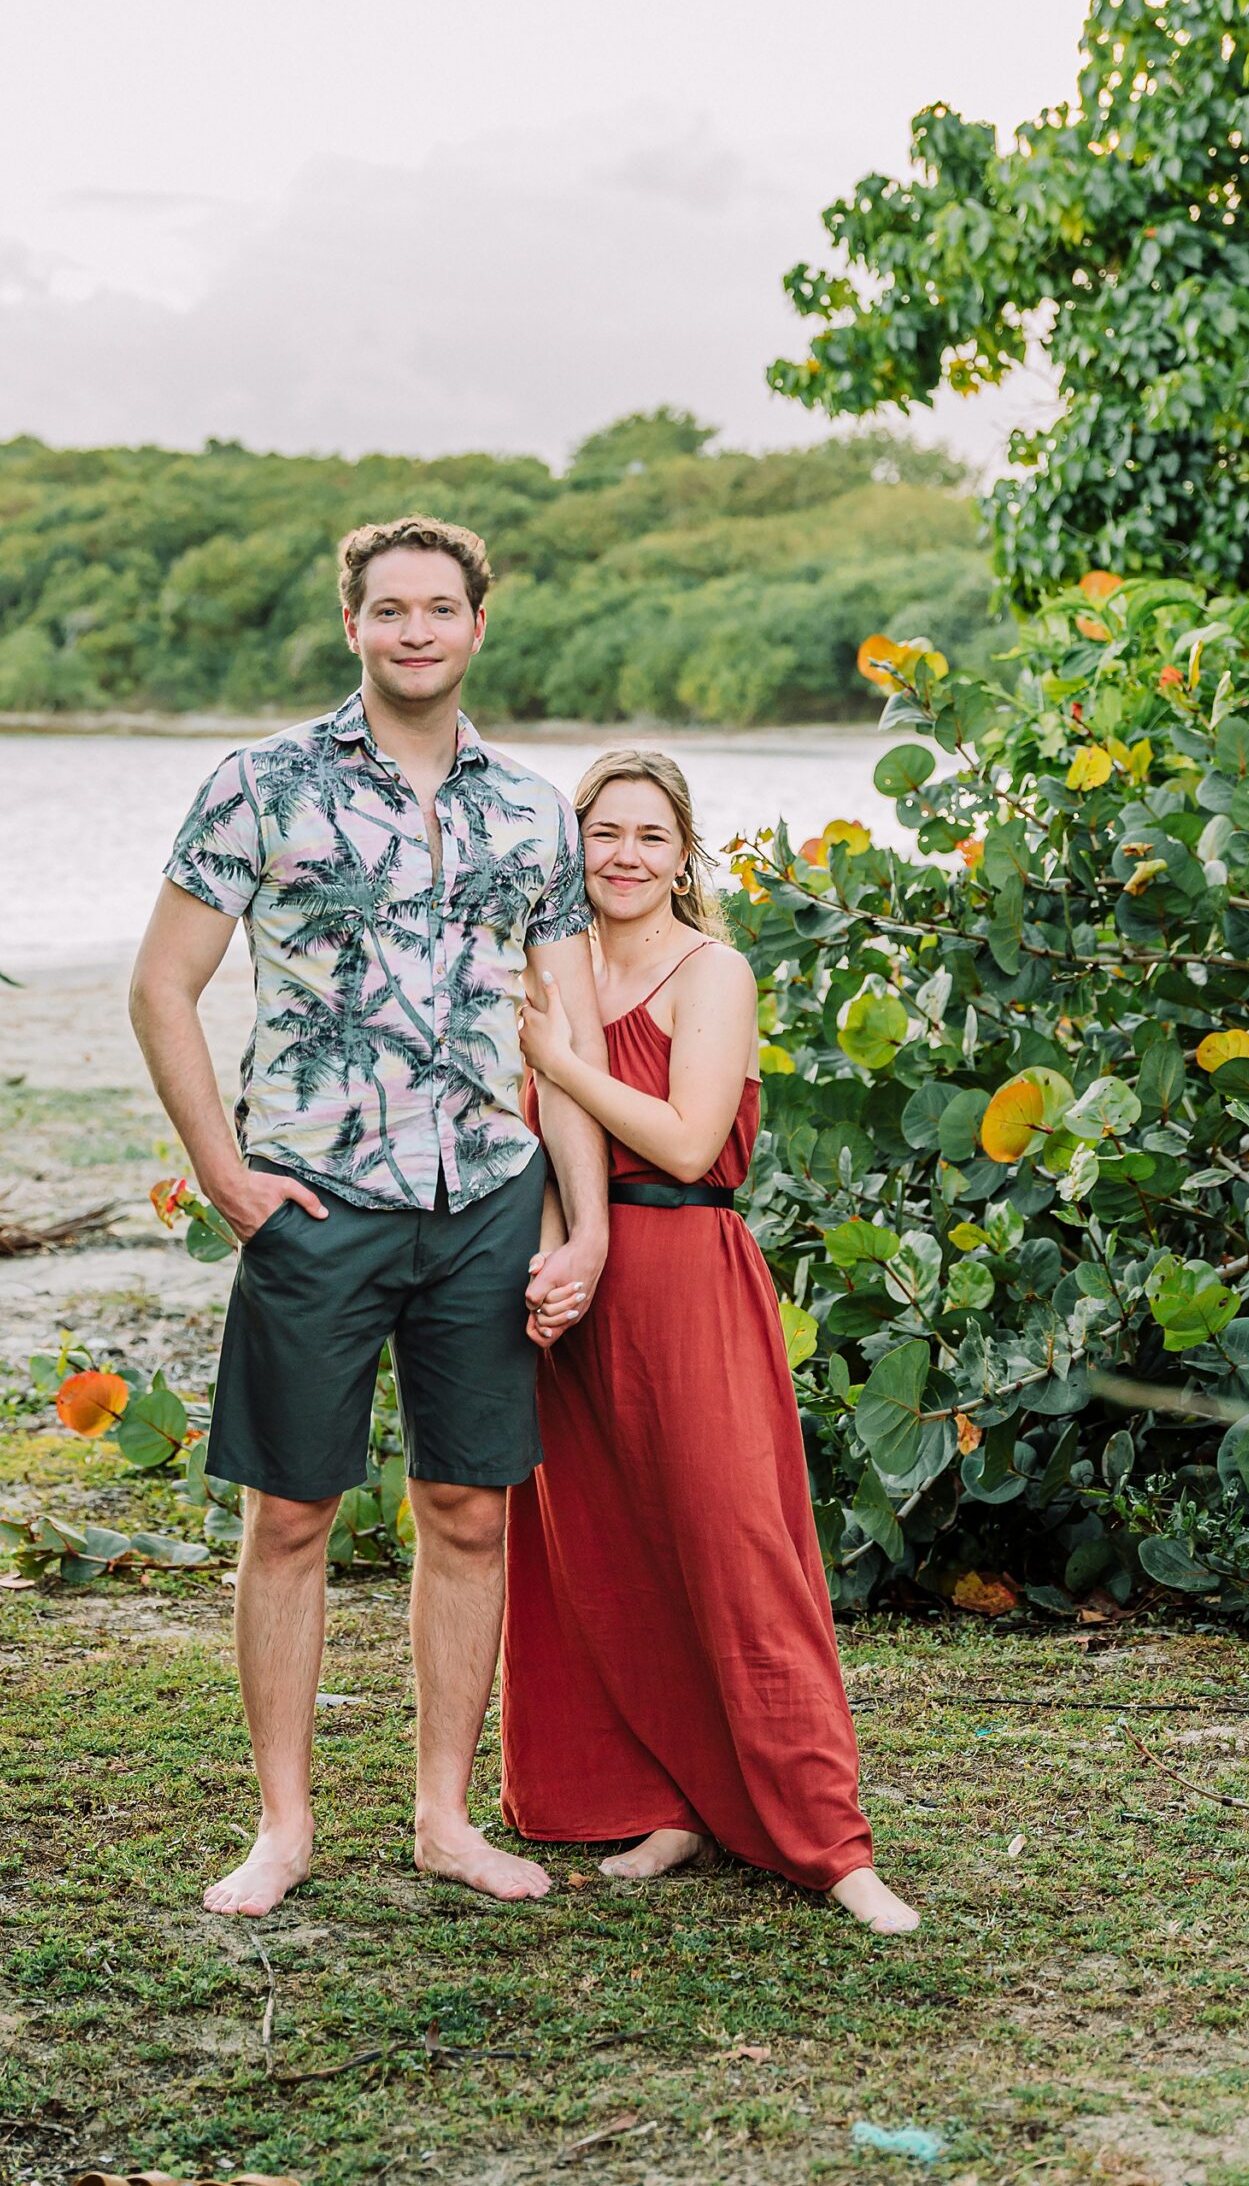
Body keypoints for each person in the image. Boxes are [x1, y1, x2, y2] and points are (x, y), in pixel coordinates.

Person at [130, 516, 609, 1919]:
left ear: (477, 625)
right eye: (389, 609)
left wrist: (582, 1225)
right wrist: (224, 1175)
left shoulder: (533, 812)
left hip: (484, 1199)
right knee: (289, 1515)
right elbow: (162, 986)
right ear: (352, 625)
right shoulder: (260, 783)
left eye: (438, 609)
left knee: (467, 1508)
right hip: (316, 1201)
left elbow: (565, 1032)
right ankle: (282, 1828)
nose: (414, 631)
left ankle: (443, 1820)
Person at [504, 748, 919, 1936]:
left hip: (686, 1275)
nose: (623, 856)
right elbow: (541, 1142)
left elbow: (689, 1143)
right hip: (577, 1286)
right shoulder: (552, 970)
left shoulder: (712, 969)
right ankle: (669, 1800)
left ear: (683, 855)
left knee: (738, 1553)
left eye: (649, 836)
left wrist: (560, 1059)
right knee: (607, 1548)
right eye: (602, 833)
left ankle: (831, 1844)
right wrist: (550, 1263)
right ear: (571, 847)